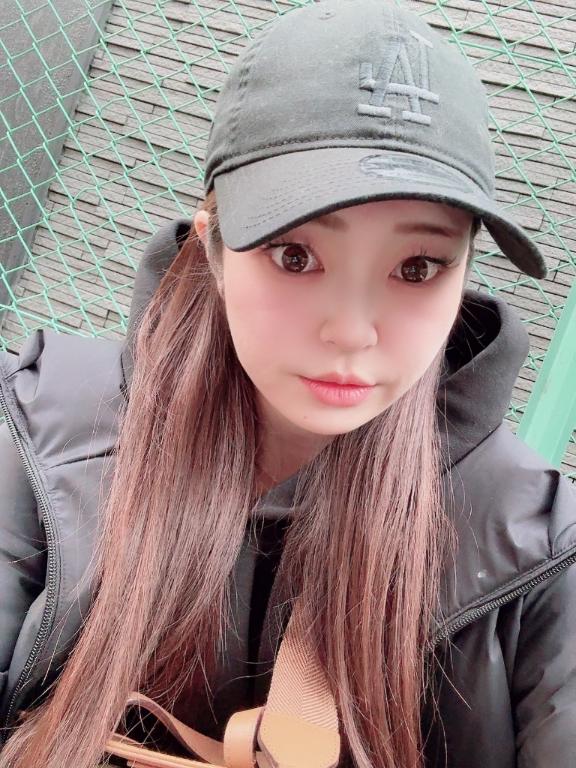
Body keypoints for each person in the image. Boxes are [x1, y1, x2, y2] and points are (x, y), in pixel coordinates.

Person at [0, 0, 574, 766]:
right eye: (295, 256)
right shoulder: (44, 432)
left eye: (417, 268)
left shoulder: (538, 547)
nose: (352, 329)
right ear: (213, 249)